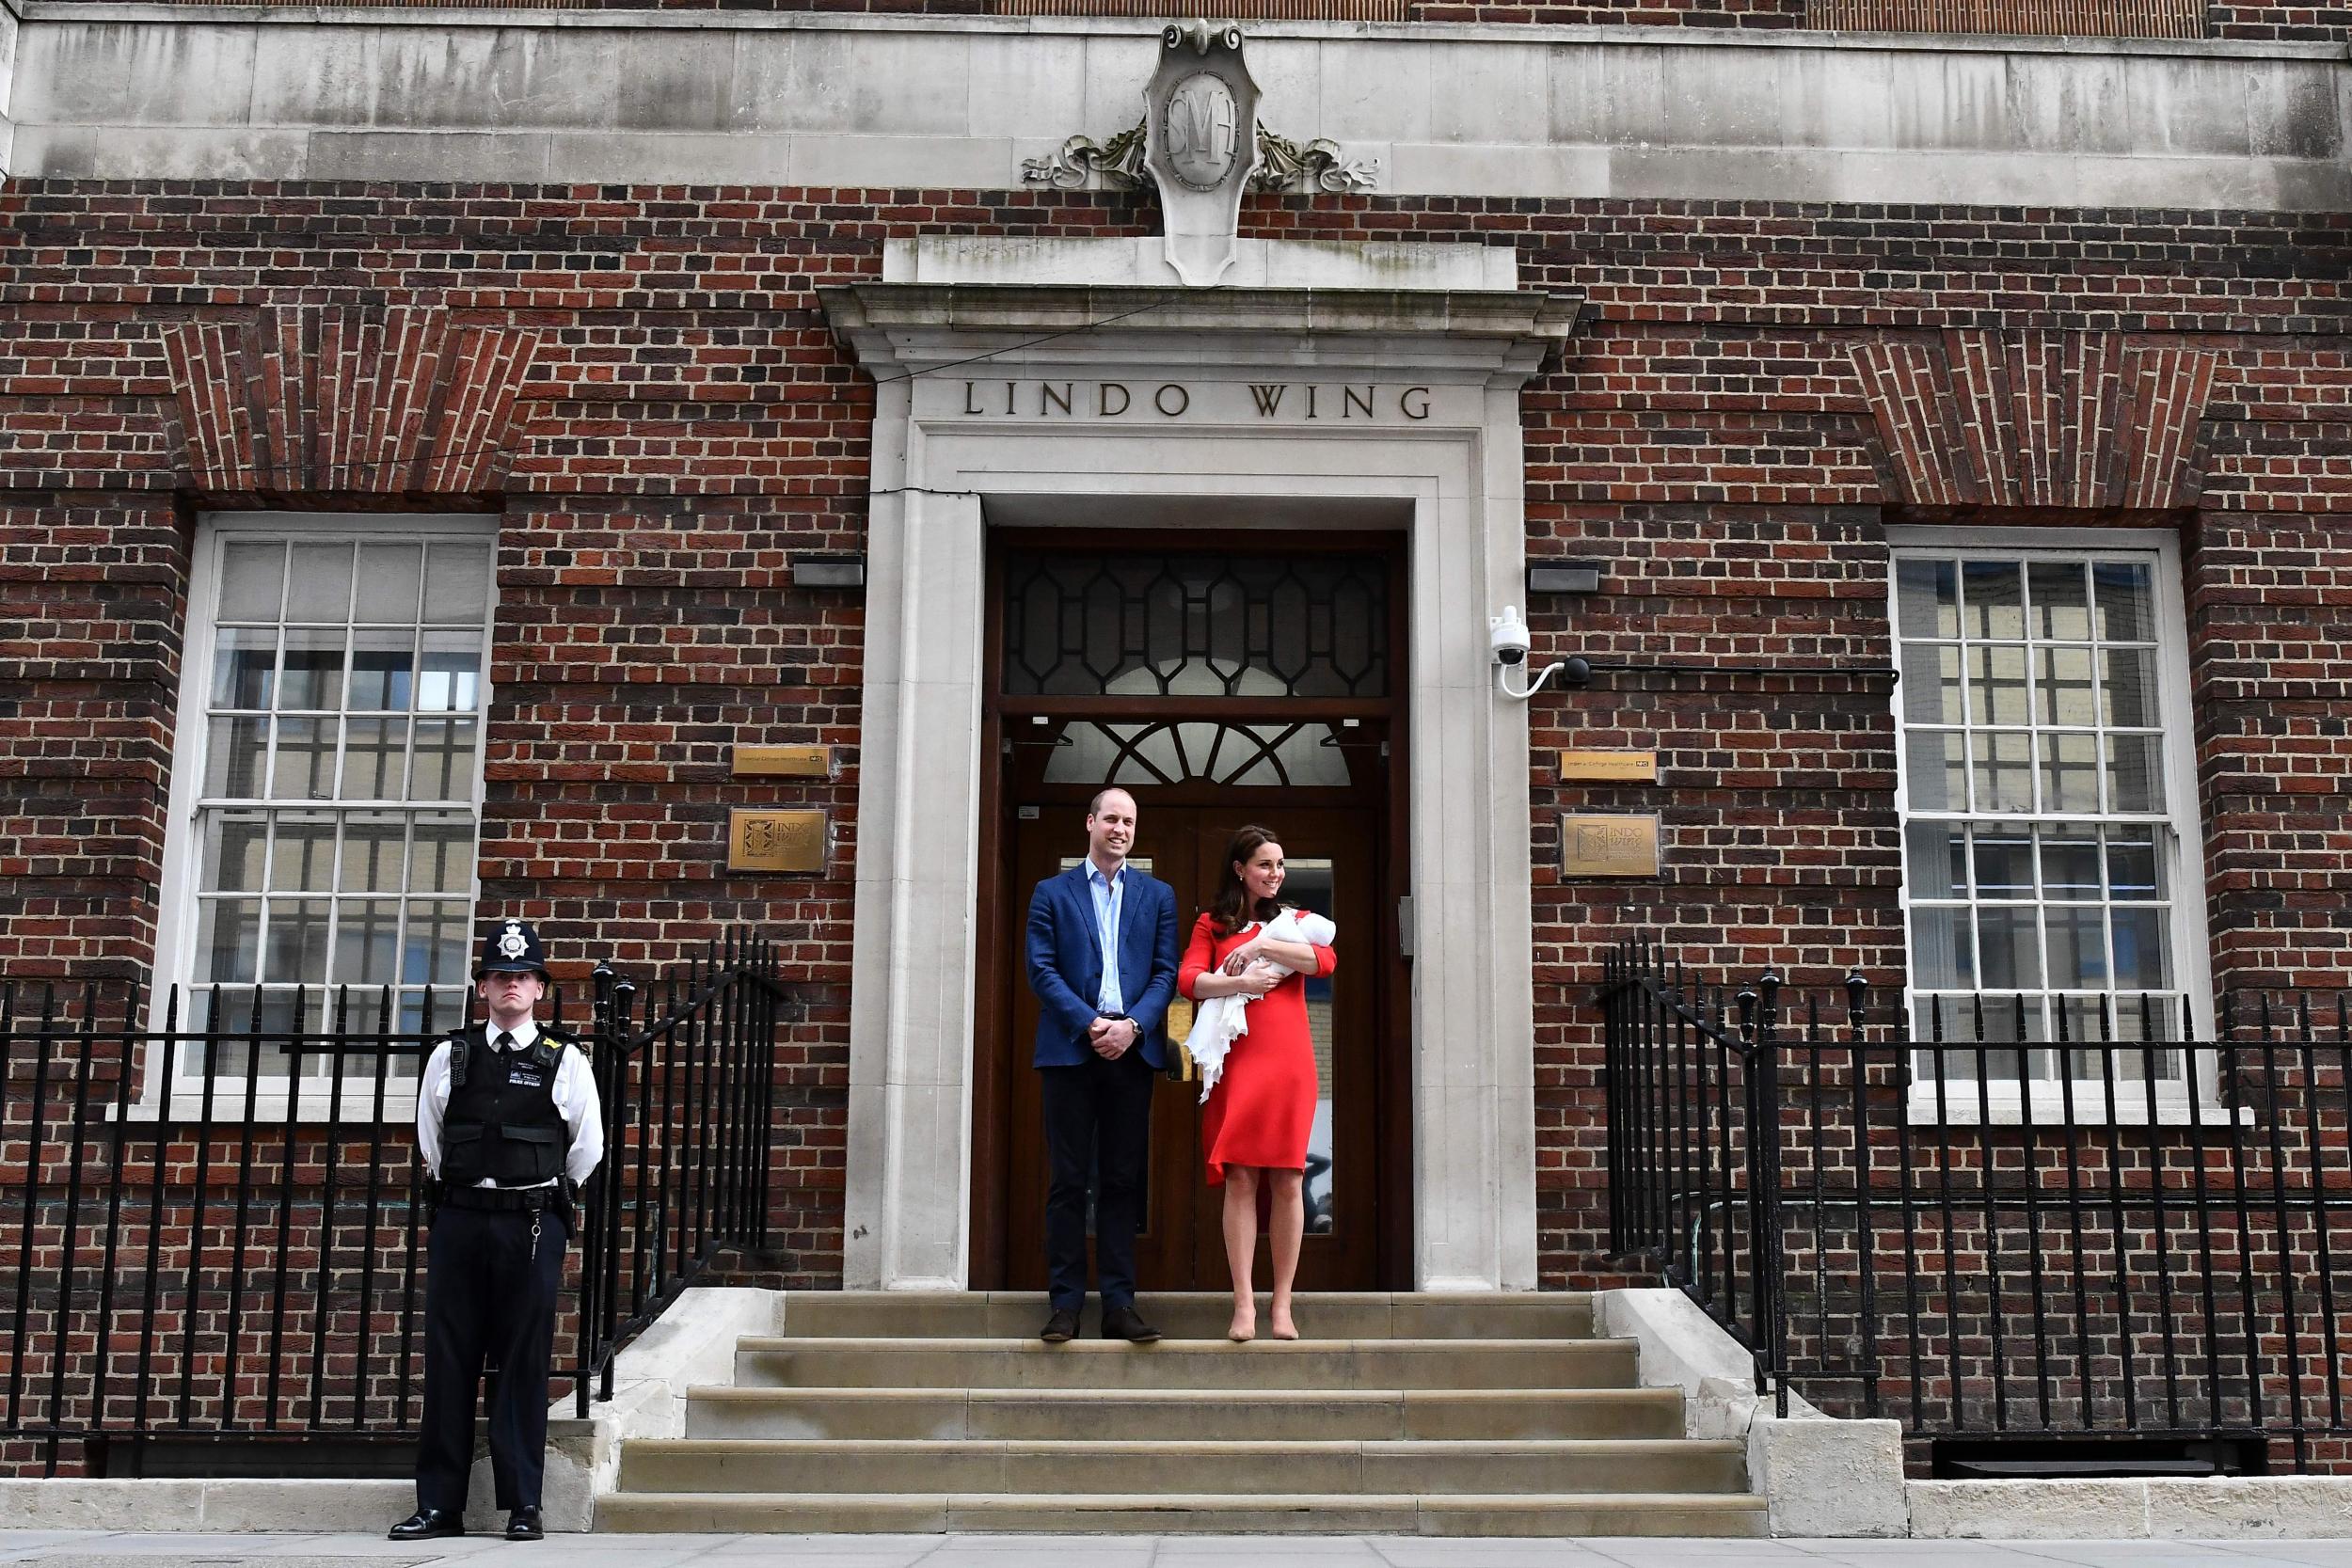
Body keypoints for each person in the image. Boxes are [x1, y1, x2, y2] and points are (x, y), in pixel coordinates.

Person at [389, 919, 604, 1544]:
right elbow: (430, 1138)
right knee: (449, 1359)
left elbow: (585, 1149)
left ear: (539, 987)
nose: (511, 985)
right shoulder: (450, 1055)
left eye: (523, 975)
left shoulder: (564, 1061)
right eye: (499, 975)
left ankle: (522, 1505)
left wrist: (536, 1194)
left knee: (523, 1362)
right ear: (482, 986)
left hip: (531, 1224)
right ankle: (439, 1505)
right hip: (460, 1218)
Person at [1025, 786, 1181, 1345]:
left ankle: (1118, 1303)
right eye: (1111, 818)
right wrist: (1091, 1024)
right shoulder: (1051, 892)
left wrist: (1132, 1027)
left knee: (1121, 1181)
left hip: (1131, 1053)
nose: (1120, 829)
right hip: (1071, 1051)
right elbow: (1041, 971)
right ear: (1090, 822)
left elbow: (1166, 973)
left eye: (1129, 822)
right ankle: (1065, 1305)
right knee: (1068, 1181)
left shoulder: (1158, 895)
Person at [1178, 826, 1335, 1344]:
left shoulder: (1294, 921)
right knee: (1242, 1177)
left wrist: (1265, 942)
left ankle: (1282, 1304)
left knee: (1289, 1178)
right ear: (1240, 869)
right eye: (1265, 864)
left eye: (1281, 864)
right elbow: (1190, 981)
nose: (1276, 874)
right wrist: (1241, 981)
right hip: (1239, 1062)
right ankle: (1244, 1304)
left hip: (1290, 1061)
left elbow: (1324, 960)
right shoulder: (1212, 923)